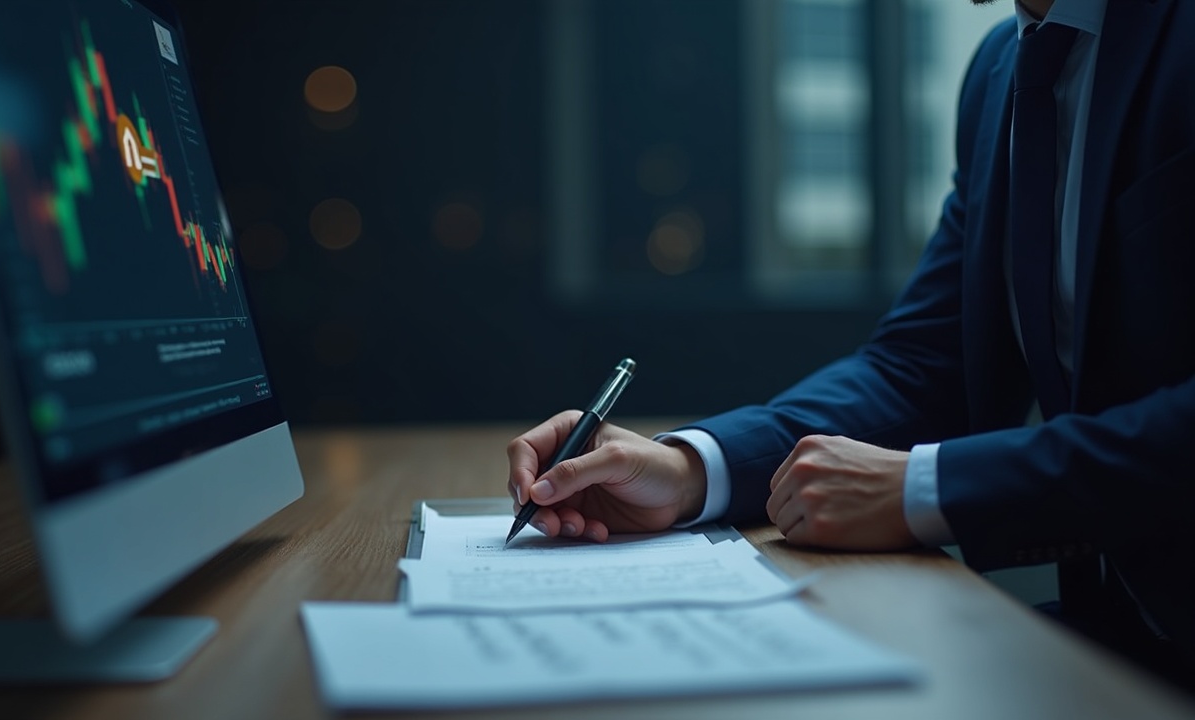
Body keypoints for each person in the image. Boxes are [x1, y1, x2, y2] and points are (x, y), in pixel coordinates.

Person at [507, 0, 1195, 686]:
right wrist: (690, 470)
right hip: (1115, 643)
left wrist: (928, 490)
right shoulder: (998, 70)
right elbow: (923, 367)